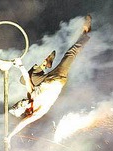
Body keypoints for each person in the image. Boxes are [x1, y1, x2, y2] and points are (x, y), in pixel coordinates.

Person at [7, 15, 92, 143]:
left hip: (46, 79)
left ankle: (45, 65)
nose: (21, 102)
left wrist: (20, 65)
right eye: (20, 105)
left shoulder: (31, 95)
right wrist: (9, 136)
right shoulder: (36, 112)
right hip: (58, 78)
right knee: (70, 53)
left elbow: (26, 76)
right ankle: (86, 33)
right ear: (25, 110)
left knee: (24, 80)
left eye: (19, 102)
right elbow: (22, 124)